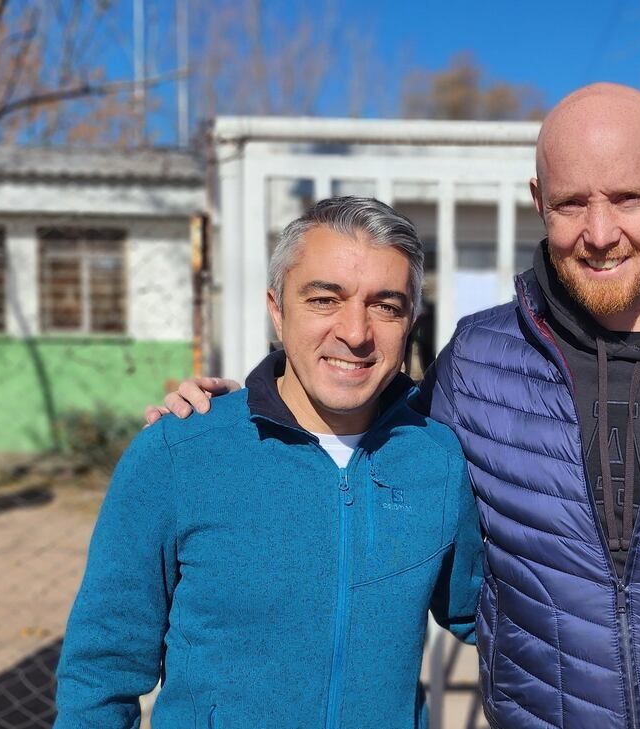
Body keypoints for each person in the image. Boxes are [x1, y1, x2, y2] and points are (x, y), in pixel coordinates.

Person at [151, 84, 640, 728]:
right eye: (573, 202)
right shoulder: (478, 362)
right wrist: (229, 415)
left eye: (627, 199)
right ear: (538, 200)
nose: (601, 232)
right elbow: (350, 433)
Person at [56, 197, 482, 729]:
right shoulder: (178, 454)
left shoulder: (438, 461)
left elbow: (496, 623)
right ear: (277, 309)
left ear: (410, 322)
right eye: (325, 299)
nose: (355, 332)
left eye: (385, 306)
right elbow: (103, 670)